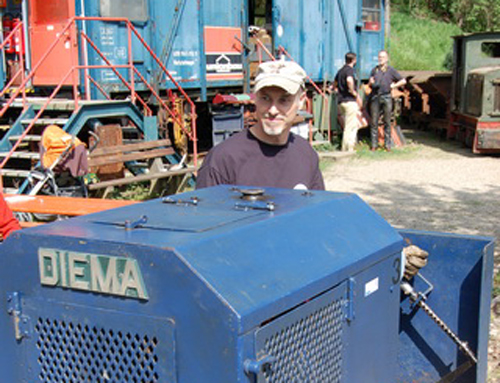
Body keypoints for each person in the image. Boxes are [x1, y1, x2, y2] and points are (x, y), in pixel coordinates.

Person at [196, 60, 324, 190]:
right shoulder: (223, 159)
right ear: (255, 98)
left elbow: (319, 209)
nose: (273, 110)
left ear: (301, 100)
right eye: (265, 98)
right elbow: (205, 210)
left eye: (284, 100)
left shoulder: (306, 155)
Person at [368, 50, 406, 151]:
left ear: (387, 59)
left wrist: (394, 85)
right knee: (374, 121)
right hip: (375, 97)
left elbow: (403, 80)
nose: (381, 59)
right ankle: (374, 145)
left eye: (383, 57)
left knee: (387, 121)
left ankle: (388, 145)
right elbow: (370, 82)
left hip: (387, 97)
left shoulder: (391, 70)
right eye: (379, 57)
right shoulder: (374, 70)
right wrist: (371, 82)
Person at [334, 52, 361, 152]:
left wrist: (334, 88)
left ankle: (348, 146)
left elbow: (335, 83)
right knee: (350, 126)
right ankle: (347, 148)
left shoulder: (340, 71)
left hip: (341, 101)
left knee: (350, 124)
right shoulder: (350, 70)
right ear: (354, 60)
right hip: (350, 101)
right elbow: (349, 80)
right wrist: (353, 92)